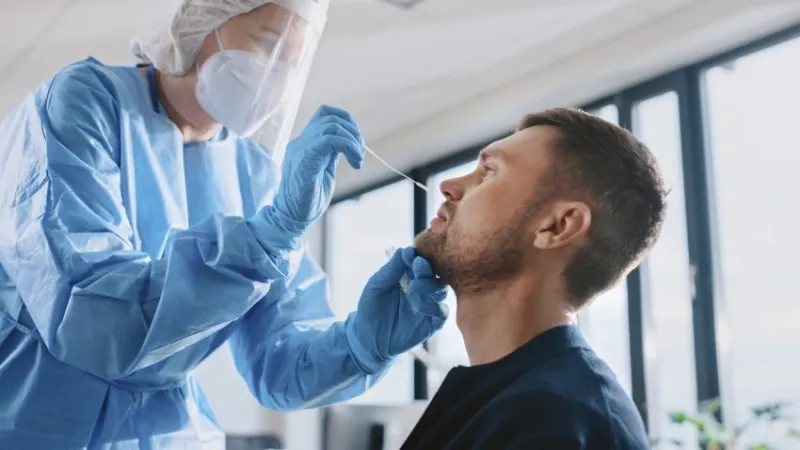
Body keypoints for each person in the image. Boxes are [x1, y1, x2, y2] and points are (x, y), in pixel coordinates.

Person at [0, 1, 448, 448]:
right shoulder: (83, 103)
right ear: (198, 19)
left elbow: (279, 364)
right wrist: (263, 238)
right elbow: (91, 320)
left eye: (293, 60)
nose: (277, 73)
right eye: (267, 44)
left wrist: (362, 345)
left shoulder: (254, 173)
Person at [401, 107, 666, 450]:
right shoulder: (495, 400)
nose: (449, 186)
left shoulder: (563, 422)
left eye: (489, 172)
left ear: (557, 226)